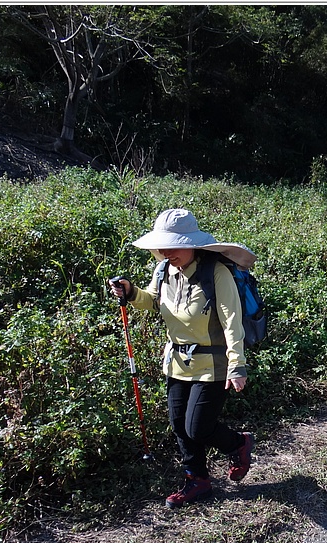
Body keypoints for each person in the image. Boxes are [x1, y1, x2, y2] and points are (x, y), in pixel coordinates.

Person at [108, 208, 255, 509]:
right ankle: (197, 480)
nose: (164, 251)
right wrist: (131, 291)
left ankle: (239, 444)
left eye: (172, 245)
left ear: (191, 244)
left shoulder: (217, 273)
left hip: (213, 363)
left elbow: (231, 322)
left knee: (197, 427)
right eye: (162, 245)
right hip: (176, 360)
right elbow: (151, 301)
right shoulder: (163, 270)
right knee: (178, 424)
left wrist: (237, 365)